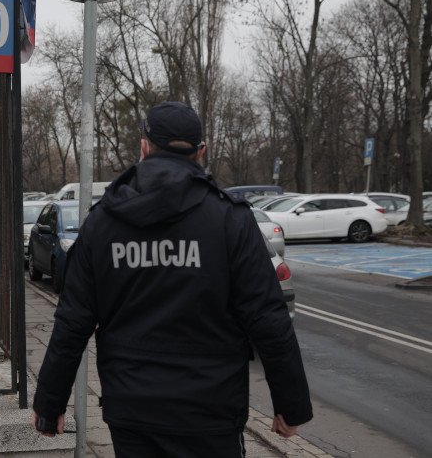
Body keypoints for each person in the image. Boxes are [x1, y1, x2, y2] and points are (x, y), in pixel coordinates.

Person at [31, 101, 313, 457]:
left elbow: (72, 322)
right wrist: (291, 403)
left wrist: (50, 403)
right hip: (211, 409)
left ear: (144, 147)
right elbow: (268, 318)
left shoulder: (103, 223)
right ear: (201, 152)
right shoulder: (229, 220)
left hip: (133, 409)